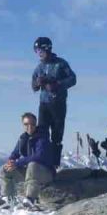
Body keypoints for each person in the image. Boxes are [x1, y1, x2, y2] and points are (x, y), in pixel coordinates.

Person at [31, 37, 77, 165]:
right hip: (44, 104)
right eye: (36, 51)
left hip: (58, 104)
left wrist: (57, 84)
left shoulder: (61, 63)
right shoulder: (39, 67)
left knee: (56, 135)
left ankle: (54, 165)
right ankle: (42, 162)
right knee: (42, 133)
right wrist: (37, 83)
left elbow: (73, 79)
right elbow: (33, 86)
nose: (38, 54)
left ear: (47, 48)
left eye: (39, 50)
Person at [0, 112, 56, 204]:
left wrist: (17, 163)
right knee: (4, 169)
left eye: (32, 124)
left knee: (32, 165)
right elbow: (15, 153)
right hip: (30, 173)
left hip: (46, 173)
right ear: (23, 125)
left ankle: (30, 199)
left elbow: (39, 156)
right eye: (26, 124)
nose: (29, 127)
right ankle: (7, 199)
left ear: (36, 124)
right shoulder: (23, 138)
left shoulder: (42, 137)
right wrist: (10, 162)